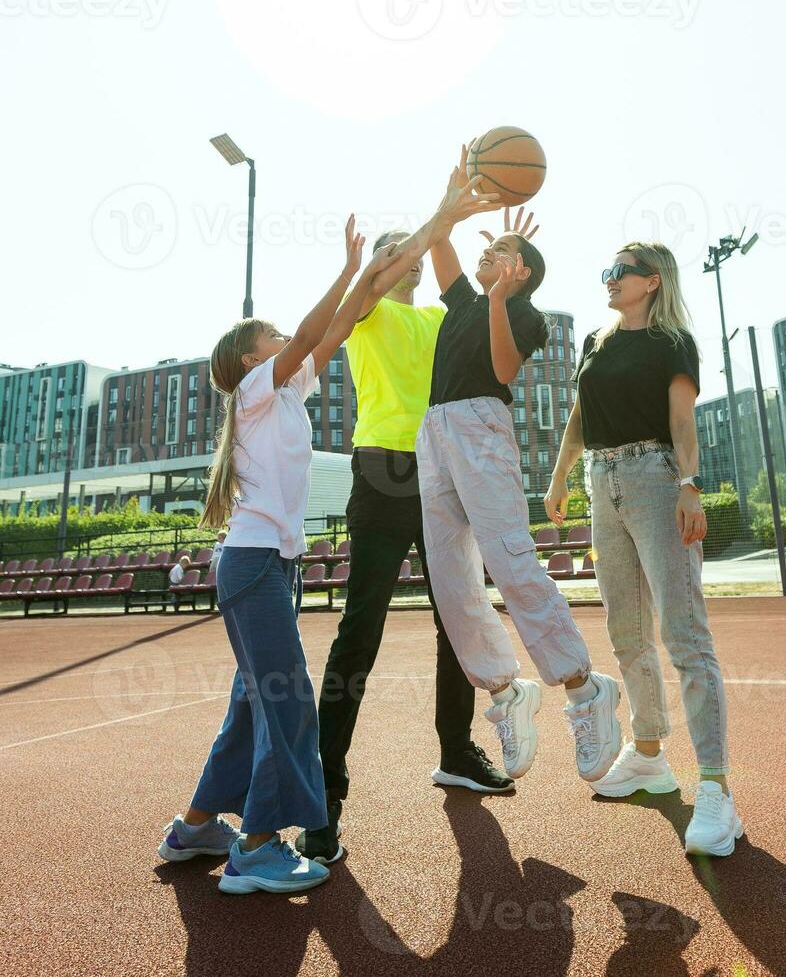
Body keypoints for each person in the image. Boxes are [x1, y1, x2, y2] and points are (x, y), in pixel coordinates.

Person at [157, 216, 406, 894]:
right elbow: (307, 334)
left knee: (252, 703)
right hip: (254, 564)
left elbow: (342, 326)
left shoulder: (287, 392)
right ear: (250, 358)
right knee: (287, 697)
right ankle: (257, 848)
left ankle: (198, 826)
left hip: (272, 566)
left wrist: (375, 272)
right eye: (268, 337)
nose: (283, 343)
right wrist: (347, 266)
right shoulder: (256, 391)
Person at [294, 187, 516, 865]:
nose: (408, 259)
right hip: (384, 473)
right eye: (395, 252)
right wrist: (439, 218)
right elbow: (375, 281)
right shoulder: (365, 314)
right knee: (362, 625)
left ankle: (455, 748)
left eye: (410, 251)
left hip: (442, 473)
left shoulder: (440, 320)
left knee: (459, 613)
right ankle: (324, 791)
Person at [416, 146, 621, 786]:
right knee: (450, 578)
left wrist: (502, 299)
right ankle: (506, 693)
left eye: (502, 251)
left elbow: (504, 371)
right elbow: (437, 243)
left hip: (481, 425)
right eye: (487, 246)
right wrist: (451, 201)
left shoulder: (523, 314)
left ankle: (584, 689)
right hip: (437, 429)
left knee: (509, 557)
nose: (486, 253)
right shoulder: (459, 302)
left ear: (523, 271)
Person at [544, 241, 742, 857]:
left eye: (619, 272)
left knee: (683, 633)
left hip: (657, 477)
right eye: (605, 271)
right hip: (601, 483)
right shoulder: (596, 341)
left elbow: (682, 421)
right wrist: (559, 474)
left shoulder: (672, 342)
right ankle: (649, 754)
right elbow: (580, 411)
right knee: (627, 631)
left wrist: (689, 485)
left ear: (651, 281)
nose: (608, 279)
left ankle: (716, 788)